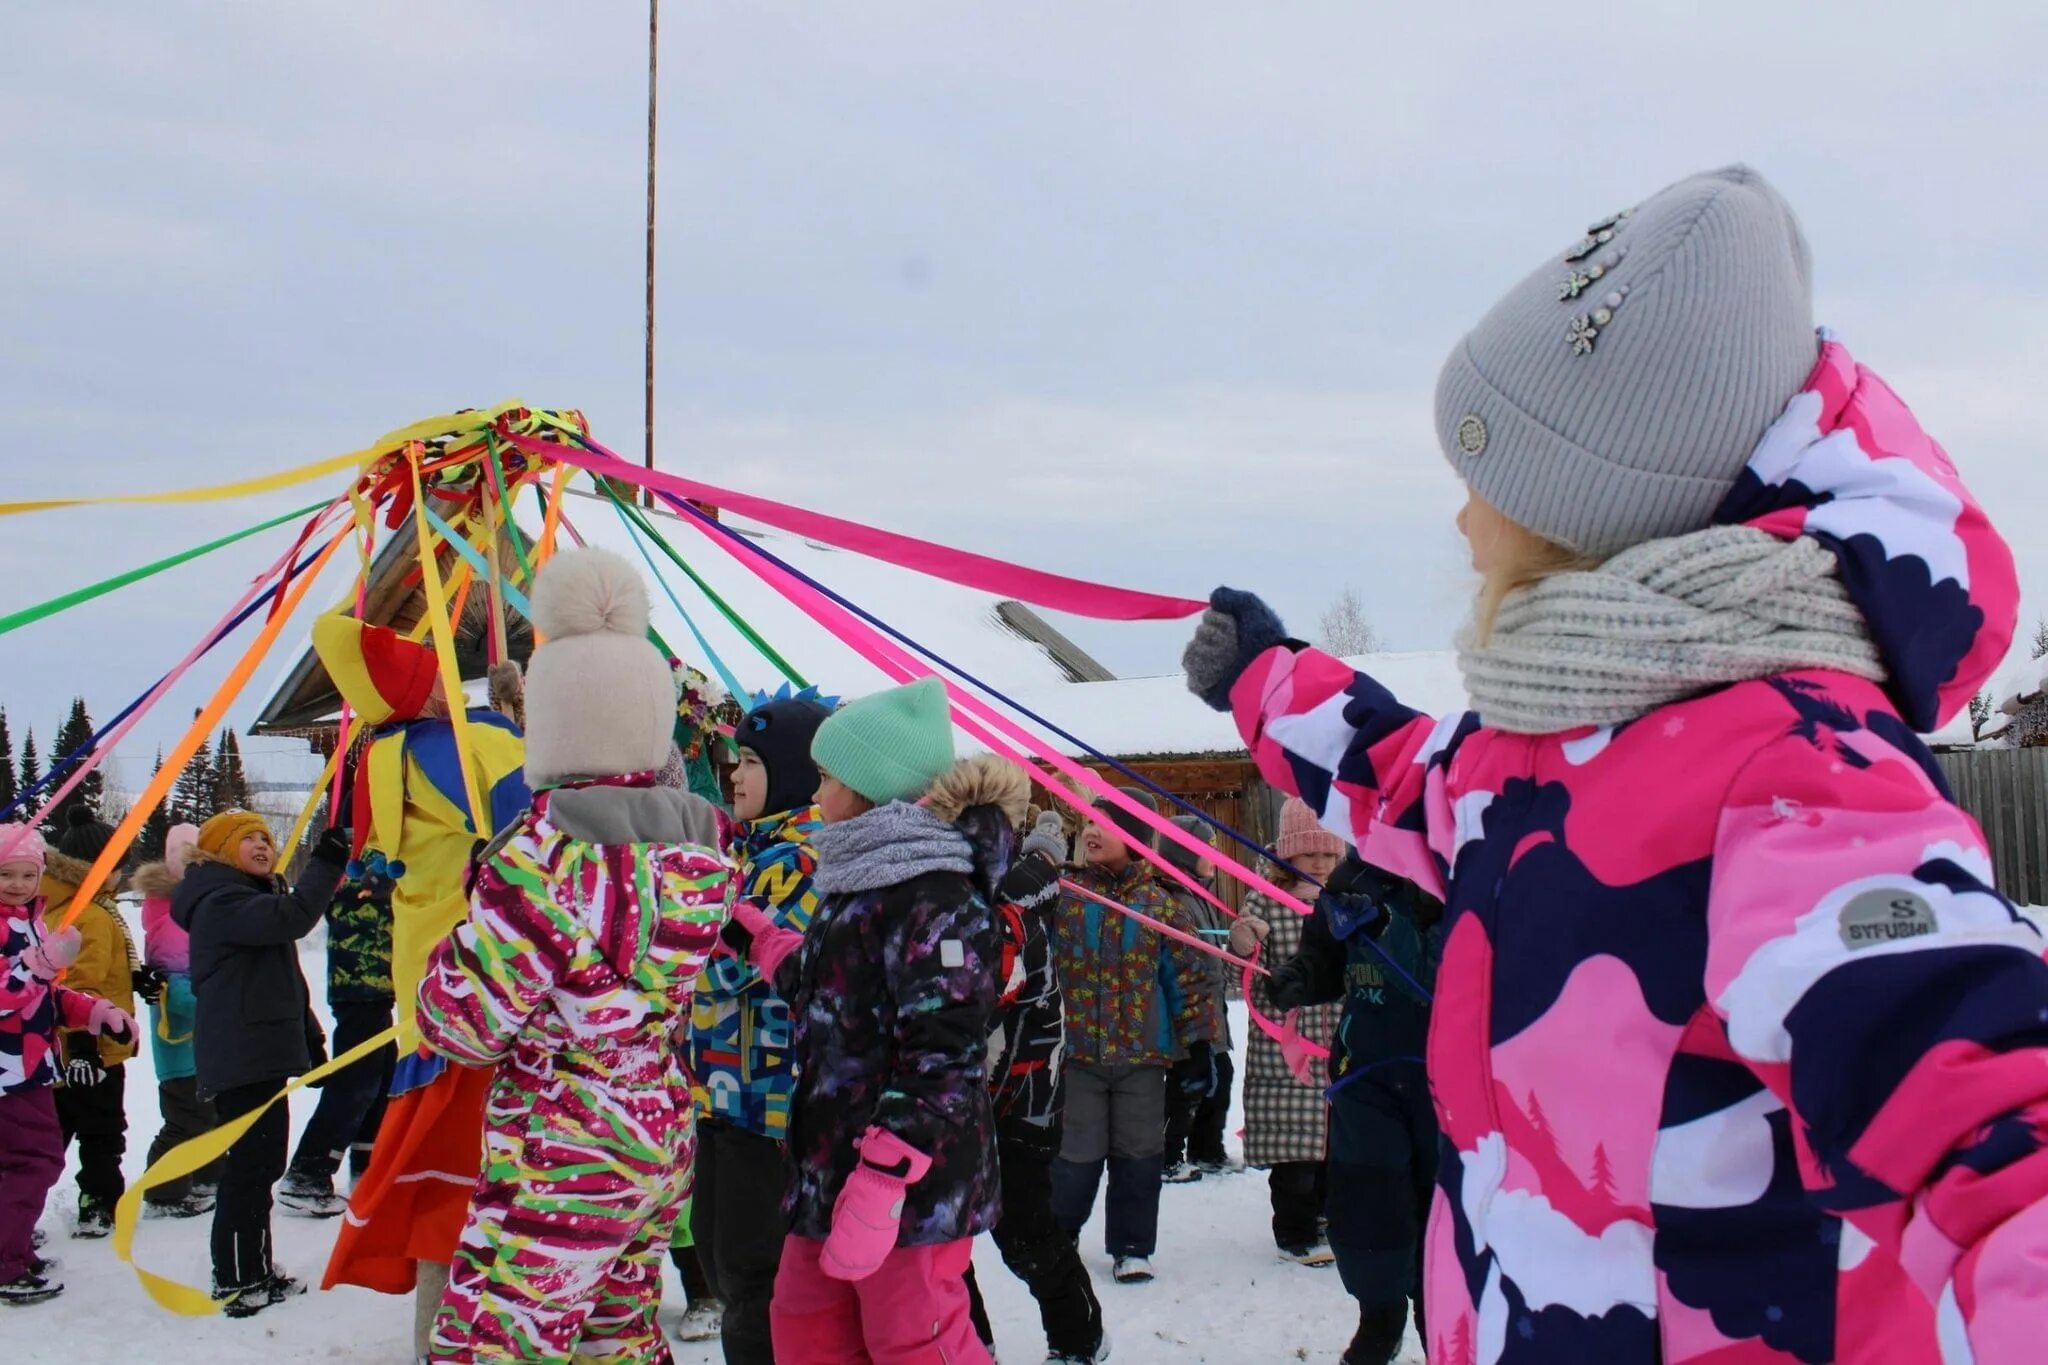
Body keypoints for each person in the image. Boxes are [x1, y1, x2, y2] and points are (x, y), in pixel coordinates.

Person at [1182, 165, 2048, 1361]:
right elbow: (1412, 786)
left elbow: (1977, 1104)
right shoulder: (1543, 743)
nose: (1459, 521)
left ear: (1588, 511)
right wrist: (1267, 679)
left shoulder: (1795, 765)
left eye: (1482, 482)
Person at [416, 546, 731, 1364]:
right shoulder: (702, 850)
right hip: (656, 1130)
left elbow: (462, 1025)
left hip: (565, 1145)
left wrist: (461, 936)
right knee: (615, 1338)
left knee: (495, 1344)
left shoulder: (538, 861)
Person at [739, 678, 1015, 1364]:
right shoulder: (858, 875)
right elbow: (831, 993)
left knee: (911, 1336)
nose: (812, 794)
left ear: (868, 788)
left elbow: (944, 1053)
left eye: (826, 777)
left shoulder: (938, 893)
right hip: (828, 1161)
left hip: (910, 1183)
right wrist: (764, 941)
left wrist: (886, 1173)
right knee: (806, 1328)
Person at [317, 610, 530, 1360]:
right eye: (428, 669)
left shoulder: (386, 752)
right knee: (495, 1182)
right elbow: (541, 813)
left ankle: (436, 1342)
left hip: (428, 990)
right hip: (491, 984)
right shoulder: (465, 743)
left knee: (447, 1185)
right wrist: (514, 718)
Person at [1233, 855, 1440, 1364]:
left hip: (1452, 1080)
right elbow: (1324, 956)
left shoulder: (1469, 863)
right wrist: (1300, 976)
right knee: (1369, 1202)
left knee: (1445, 1207)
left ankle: (1442, 1321)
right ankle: (1380, 1315)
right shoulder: (1354, 878)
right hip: (1368, 1073)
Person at [682, 686, 830, 1362]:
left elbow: (726, 968)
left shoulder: (796, 859)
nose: (732, 772)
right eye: (730, 757)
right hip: (724, 1092)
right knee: (721, 1257)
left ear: (796, 771)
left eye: (748, 758)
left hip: (766, 1101)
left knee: (749, 1274)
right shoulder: (754, 851)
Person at [172, 809, 350, 1318]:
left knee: (262, 1164)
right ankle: (235, 1279)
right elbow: (294, 918)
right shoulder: (219, 900)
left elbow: (286, 979)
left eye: (266, 839)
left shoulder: (246, 898)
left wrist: (309, 1036)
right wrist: (329, 859)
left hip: (259, 1051)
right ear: (218, 849)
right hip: (240, 1055)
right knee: (250, 1169)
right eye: (247, 837)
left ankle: (253, 1270)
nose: (261, 845)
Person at [1049, 788, 1216, 1284]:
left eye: (1109, 824)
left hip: (1144, 1057)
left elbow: (1186, 979)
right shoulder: (1065, 896)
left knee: (1139, 1154)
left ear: (1138, 839)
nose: (1094, 832)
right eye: (1091, 823)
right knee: (1075, 1154)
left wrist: (1197, 1048)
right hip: (1077, 1054)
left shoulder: (1162, 906)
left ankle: (1132, 1246)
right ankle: (1058, 1237)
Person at [964, 809, 1111, 1364]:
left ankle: (1079, 1339)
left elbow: (991, 990)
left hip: (1023, 1098)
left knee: (1024, 1233)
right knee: (942, 1241)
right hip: (958, 1094)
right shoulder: (985, 899)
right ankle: (968, 1343)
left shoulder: (1014, 910)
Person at [0, 823, 135, 1306]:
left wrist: (94, 1012)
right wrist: (39, 965)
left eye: (26, 874)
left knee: (23, 1159)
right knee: (34, 1160)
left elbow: (45, 994)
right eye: (5, 874)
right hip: (10, 1070)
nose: (17, 884)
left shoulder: (27, 920)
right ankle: (6, 1260)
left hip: (30, 1064)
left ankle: (12, 1247)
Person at [1236, 798, 1342, 1265]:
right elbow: (1248, 970)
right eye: (1309, 854)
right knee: (1295, 1153)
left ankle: (1328, 1218)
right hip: (1285, 1050)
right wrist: (1246, 940)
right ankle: (1294, 1231)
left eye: (1329, 854)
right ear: (1287, 853)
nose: (1320, 863)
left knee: (1337, 1148)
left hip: (1339, 1042)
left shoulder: (1347, 903)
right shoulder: (1264, 898)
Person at [280, 811, 399, 1217]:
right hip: (360, 988)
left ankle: (367, 1169)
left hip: (375, 990)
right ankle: (308, 1173)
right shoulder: (359, 863)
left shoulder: (374, 859)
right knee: (356, 1083)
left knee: (380, 1080)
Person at [40, 809, 142, 1240]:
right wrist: (83, 1045)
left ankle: (21, 1204)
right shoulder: (91, 915)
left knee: (54, 1131)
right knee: (101, 1129)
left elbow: (102, 970)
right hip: (89, 1047)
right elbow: (79, 982)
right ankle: (99, 1202)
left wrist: (136, 977)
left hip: (59, 1048)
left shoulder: (74, 905)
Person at [133, 822, 223, 1219]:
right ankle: (162, 1192)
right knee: (185, 1118)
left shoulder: (188, 909)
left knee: (209, 1113)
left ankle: (207, 1175)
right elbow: (176, 986)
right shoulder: (169, 916)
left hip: (202, 1044)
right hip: (179, 1044)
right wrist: (221, 995)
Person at [1158, 814, 1235, 1182]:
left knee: (1221, 1078)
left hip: (1212, 1010)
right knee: (1185, 1087)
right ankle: (1169, 1155)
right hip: (1189, 1014)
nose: (1215, 857)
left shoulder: (1199, 893)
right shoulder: (1175, 899)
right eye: (1208, 849)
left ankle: (1207, 1150)